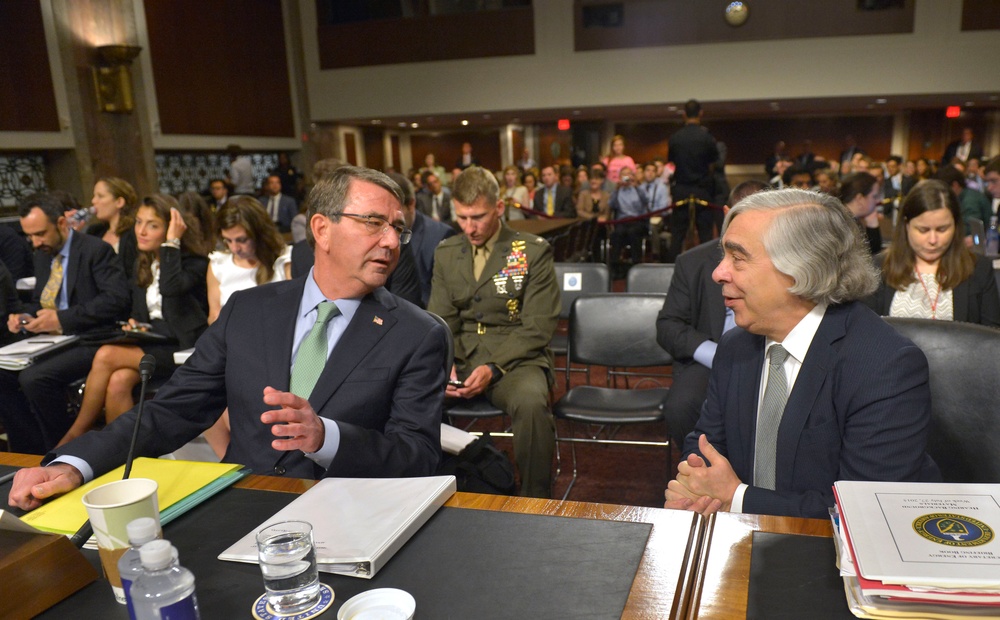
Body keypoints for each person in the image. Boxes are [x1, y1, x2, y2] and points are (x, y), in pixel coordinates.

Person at [8, 166, 449, 512]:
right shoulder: (250, 310)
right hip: (246, 501)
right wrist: (73, 464)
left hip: (351, 509)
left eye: (399, 228)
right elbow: (171, 412)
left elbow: (418, 456)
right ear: (321, 228)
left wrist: (325, 437)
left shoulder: (417, 333)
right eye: (374, 223)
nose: (392, 241)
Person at [664, 188, 940, 519]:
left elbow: (867, 514)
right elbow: (705, 444)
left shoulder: (885, 366)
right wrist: (697, 484)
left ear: (801, 268)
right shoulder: (735, 346)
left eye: (737, 258)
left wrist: (736, 498)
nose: (718, 273)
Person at [428, 166, 560, 498]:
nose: (469, 228)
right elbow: (440, 320)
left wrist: (493, 368)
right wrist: (445, 366)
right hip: (461, 357)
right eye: (462, 217)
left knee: (530, 405)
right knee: (405, 393)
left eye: (478, 217)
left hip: (516, 359)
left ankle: (535, 502)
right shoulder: (447, 253)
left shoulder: (530, 251)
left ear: (499, 209)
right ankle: (427, 491)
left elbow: (537, 328)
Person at [56, 194, 211, 446]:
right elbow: (142, 312)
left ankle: (78, 433)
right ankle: (121, 451)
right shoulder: (145, 263)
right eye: (139, 222)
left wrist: (172, 244)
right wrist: (136, 325)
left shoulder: (195, 263)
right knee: (118, 381)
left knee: (106, 355)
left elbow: (171, 290)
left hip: (185, 347)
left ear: (172, 228)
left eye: (153, 225)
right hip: (156, 343)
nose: (141, 231)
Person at [0, 194, 130, 454]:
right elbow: (40, 302)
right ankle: (29, 451)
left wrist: (61, 318)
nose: (36, 242)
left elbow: (116, 301)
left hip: (91, 337)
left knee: (35, 379)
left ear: (61, 223)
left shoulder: (94, 250)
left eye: (40, 234)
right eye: (30, 237)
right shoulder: (42, 255)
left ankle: (64, 450)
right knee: (2, 375)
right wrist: (25, 317)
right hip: (52, 339)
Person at [655, 181, 768, 448]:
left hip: (772, 353)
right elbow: (668, 325)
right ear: (728, 213)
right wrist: (715, 354)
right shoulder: (692, 262)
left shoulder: (785, 261)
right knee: (681, 406)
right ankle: (701, 469)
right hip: (711, 359)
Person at [862, 180, 1000, 327]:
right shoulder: (878, 267)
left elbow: (991, 338)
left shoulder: (978, 269)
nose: (933, 240)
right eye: (923, 230)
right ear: (906, 226)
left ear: (956, 225)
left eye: (942, 229)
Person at [207, 196, 292, 324]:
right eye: (228, 240)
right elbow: (214, 317)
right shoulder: (219, 264)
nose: (235, 248)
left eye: (242, 240)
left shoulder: (284, 260)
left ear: (260, 233)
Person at [386, 172, 455, 307]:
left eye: (394, 213)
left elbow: (443, 296)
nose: (387, 222)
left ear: (411, 204)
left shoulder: (441, 235)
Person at [667, 99, 719, 261]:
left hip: (681, 189)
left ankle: (671, 271)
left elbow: (672, 162)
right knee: (705, 235)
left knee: (677, 235)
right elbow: (713, 164)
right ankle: (710, 271)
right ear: (700, 114)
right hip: (702, 189)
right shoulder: (707, 137)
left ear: (684, 114)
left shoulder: (676, 138)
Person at [88, 177, 139, 280]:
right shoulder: (94, 232)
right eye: (94, 196)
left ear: (119, 202)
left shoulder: (134, 233)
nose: (93, 201)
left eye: (100, 196)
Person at [609, 166, 650, 268]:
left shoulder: (639, 189)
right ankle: (615, 265)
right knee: (618, 233)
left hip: (637, 220)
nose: (626, 176)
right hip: (622, 220)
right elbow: (611, 204)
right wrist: (617, 189)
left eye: (629, 174)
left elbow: (646, 201)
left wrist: (636, 186)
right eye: (624, 174)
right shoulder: (618, 191)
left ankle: (636, 263)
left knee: (633, 232)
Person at [935, 165, 992, 237]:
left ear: (955, 185)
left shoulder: (970, 200)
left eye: (943, 190)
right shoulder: (965, 195)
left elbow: (969, 229)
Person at [838, 172, 882, 255]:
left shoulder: (842, 216)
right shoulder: (847, 226)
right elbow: (871, 259)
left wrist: (872, 221)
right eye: (874, 196)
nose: (878, 201)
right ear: (860, 199)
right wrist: (873, 224)